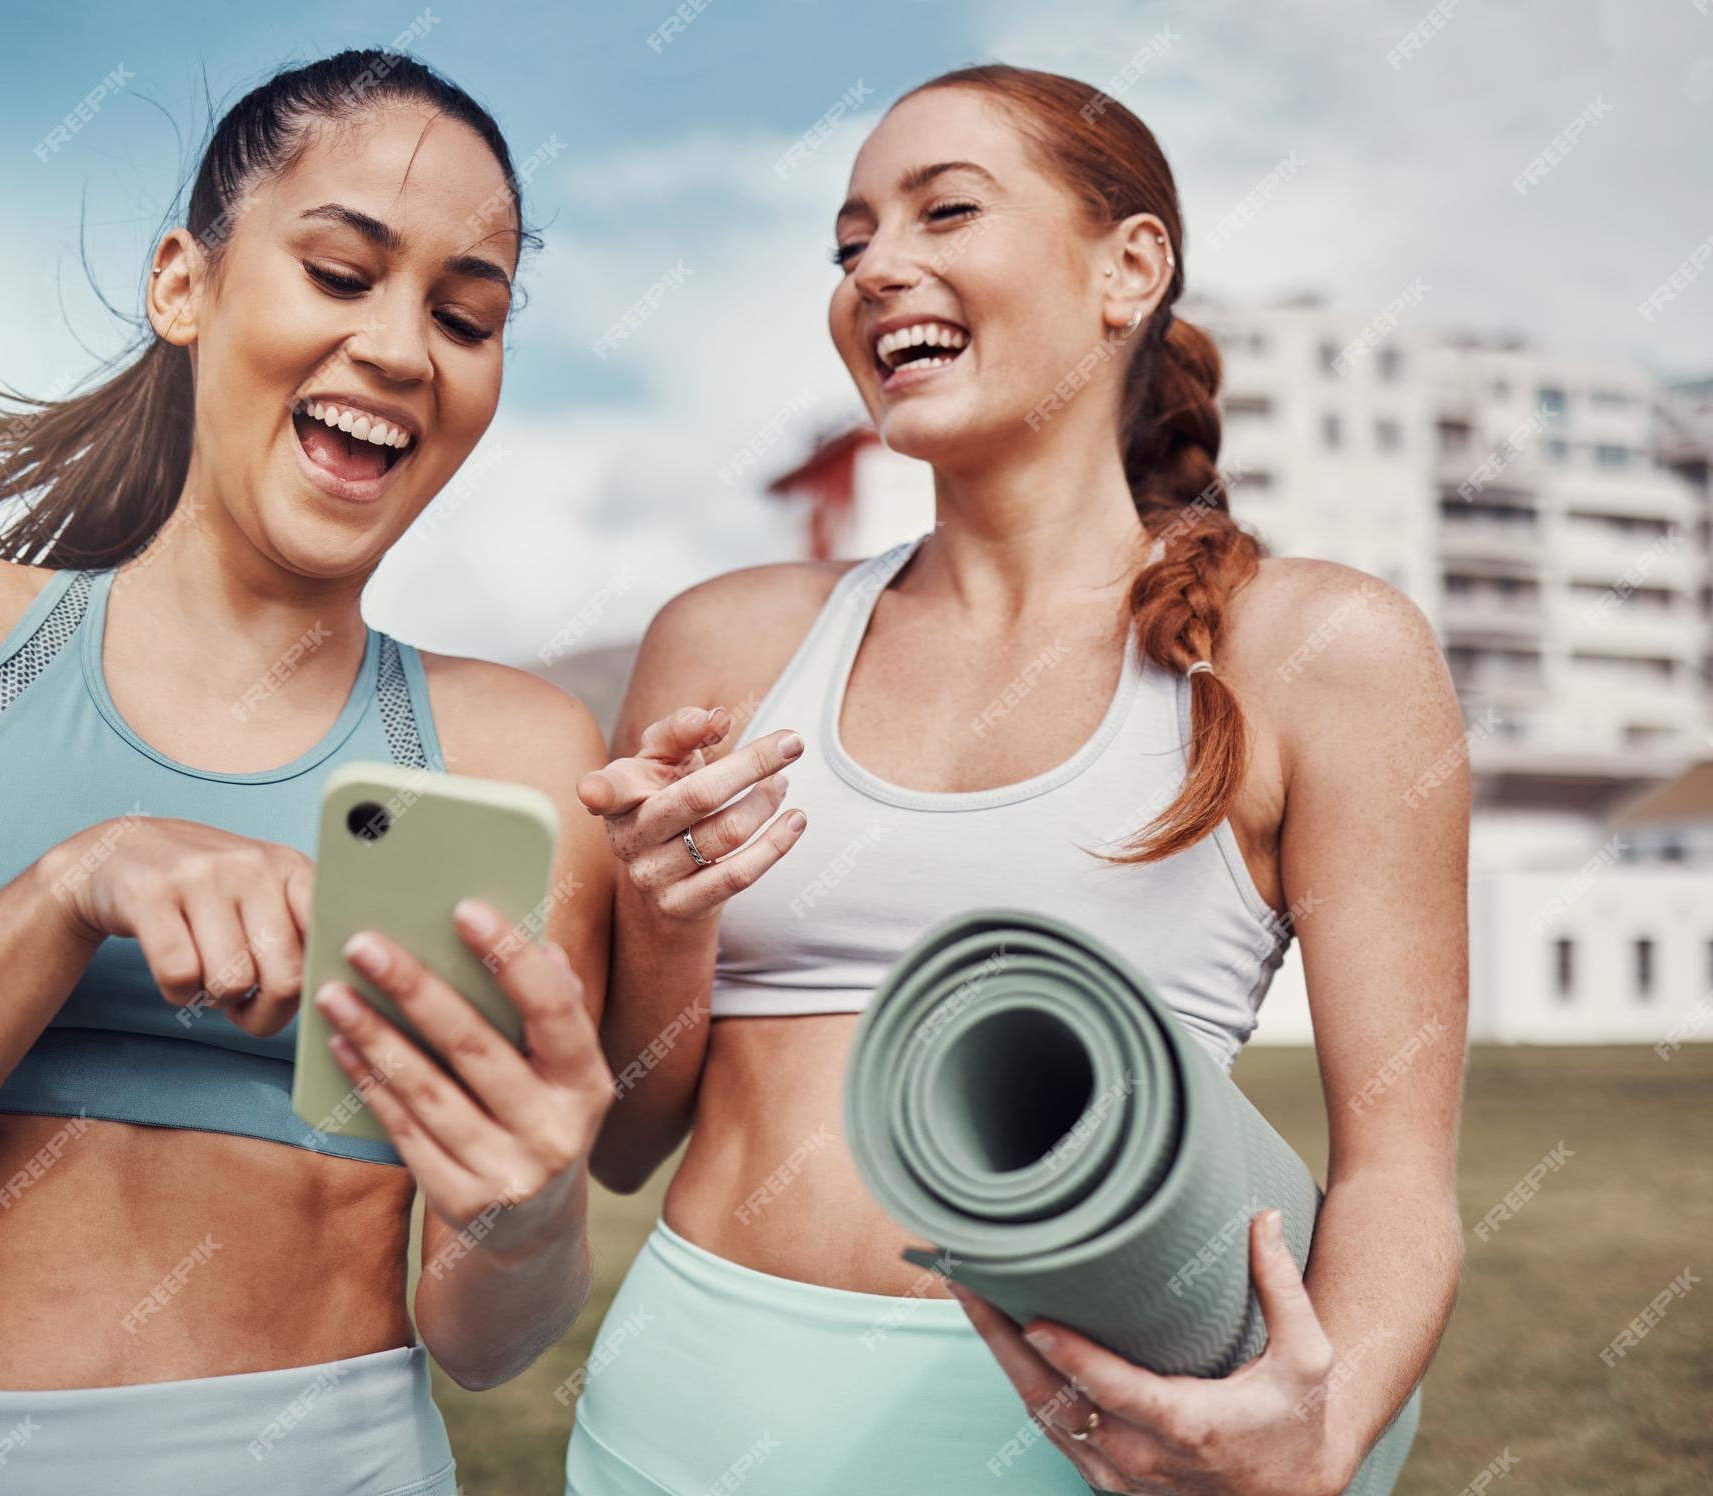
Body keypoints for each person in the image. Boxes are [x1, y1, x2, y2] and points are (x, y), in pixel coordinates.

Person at [0, 49, 615, 1496]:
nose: (401, 350)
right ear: (182, 285)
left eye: (465, 315)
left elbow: (489, 1341)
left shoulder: (520, 754)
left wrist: (527, 1213)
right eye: (340, 273)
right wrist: (73, 887)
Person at [567, 64, 1464, 1495]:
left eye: (945, 212)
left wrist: (1324, 1429)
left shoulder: (1320, 651)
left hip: (1104, 1456)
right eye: (850, 242)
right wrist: (665, 928)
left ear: (1130, 267)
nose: (879, 269)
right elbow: (624, 1138)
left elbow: (1401, 1176)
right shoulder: (725, 638)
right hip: (689, 1415)